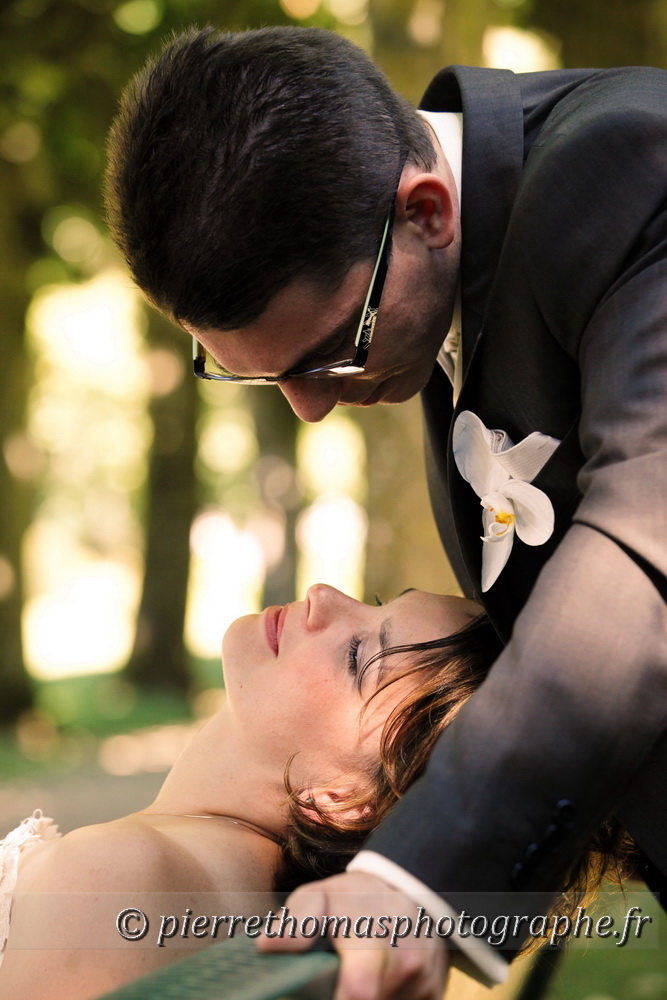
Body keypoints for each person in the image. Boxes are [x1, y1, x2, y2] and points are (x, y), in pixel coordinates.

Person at [104, 27, 667, 999]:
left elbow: (645, 541)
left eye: (327, 353)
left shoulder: (629, 170)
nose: (309, 405)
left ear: (427, 211)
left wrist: (419, 875)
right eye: (262, 374)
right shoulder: (443, 282)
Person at [0, 584, 490, 999]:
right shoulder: (219, 882)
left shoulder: (118, 874)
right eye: (374, 601)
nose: (324, 595)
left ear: (344, 799)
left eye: (357, 656)